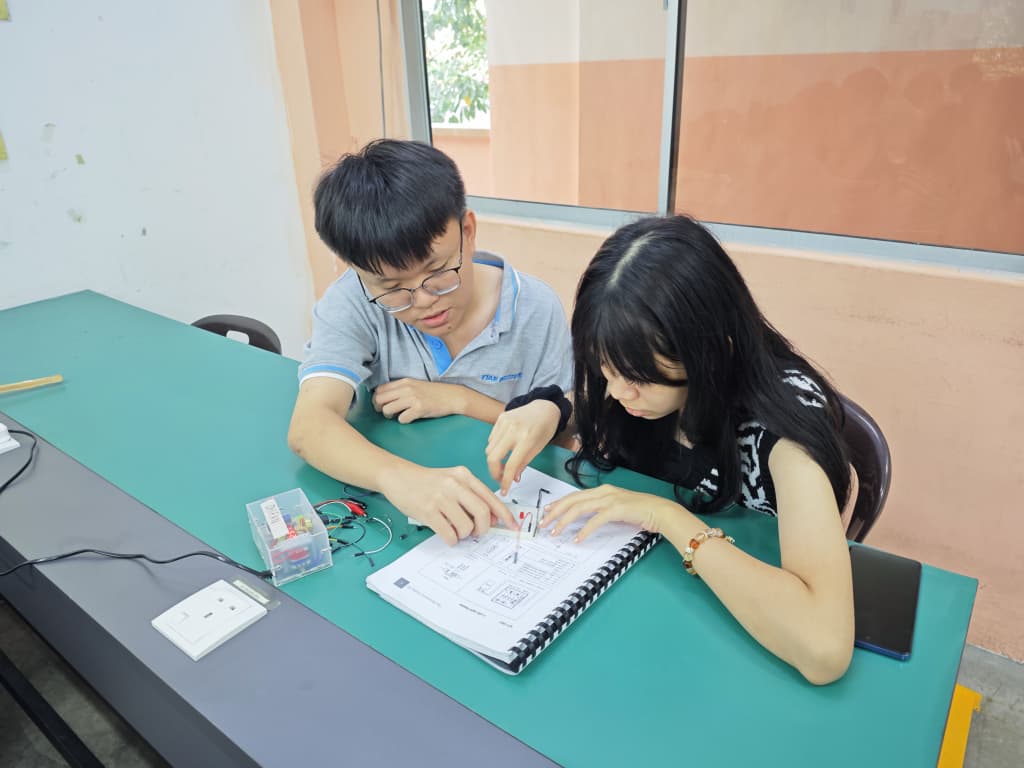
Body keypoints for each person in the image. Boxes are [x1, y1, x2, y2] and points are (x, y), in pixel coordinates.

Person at [485, 214, 854, 684]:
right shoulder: (638, 391)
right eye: (604, 368)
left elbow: (824, 649)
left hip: (730, 653)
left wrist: (666, 517)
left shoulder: (786, 432)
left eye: (637, 376)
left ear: (711, 353)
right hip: (641, 619)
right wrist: (552, 408)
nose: (616, 392)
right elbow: (598, 404)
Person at [289, 139, 573, 545]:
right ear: (357, 272)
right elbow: (310, 425)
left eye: (437, 271)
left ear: (467, 231)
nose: (423, 301)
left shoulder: (535, 308)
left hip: (514, 506)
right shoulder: (353, 299)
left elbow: (559, 433)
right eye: (391, 288)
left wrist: (460, 400)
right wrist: (396, 478)